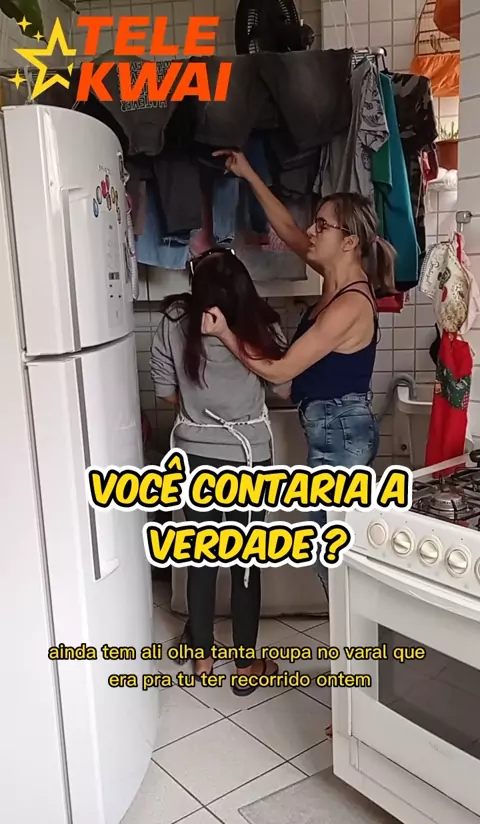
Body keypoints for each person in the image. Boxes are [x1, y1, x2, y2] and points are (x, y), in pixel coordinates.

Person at [202, 155, 396, 728]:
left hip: (341, 437)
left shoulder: (351, 302)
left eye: (323, 225)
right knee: (335, 567)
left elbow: (283, 370)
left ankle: (362, 702)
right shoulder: (332, 278)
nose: (311, 231)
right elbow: (288, 229)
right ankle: (364, 693)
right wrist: (248, 173)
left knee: (338, 571)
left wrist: (227, 335)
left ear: (350, 241)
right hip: (332, 431)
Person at [150, 247, 289, 694]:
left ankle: (203, 657)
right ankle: (246, 665)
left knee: (202, 558)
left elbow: (165, 391)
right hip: (249, 459)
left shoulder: (173, 319)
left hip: (194, 457)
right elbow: (284, 384)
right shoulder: (261, 322)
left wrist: (201, 414)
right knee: (247, 560)